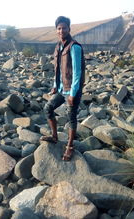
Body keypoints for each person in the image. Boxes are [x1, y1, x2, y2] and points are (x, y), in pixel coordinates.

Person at [40, 16, 85, 161]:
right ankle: (54, 137)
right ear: (56, 30)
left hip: (72, 90)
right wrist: (55, 86)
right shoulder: (59, 46)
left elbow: (77, 72)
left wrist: (73, 94)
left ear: (69, 29)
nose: (61, 31)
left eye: (64, 28)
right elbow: (58, 69)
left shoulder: (74, 46)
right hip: (61, 88)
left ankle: (70, 147)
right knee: (48, 108)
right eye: (59, 28)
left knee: (71, 118)